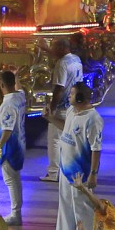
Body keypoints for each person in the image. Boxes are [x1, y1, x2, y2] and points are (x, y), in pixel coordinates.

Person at [56, 83, 103, 230]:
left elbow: (96, 149)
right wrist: (49, 118)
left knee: (83, 212)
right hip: (65, 171)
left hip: (80, 176)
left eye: (72, 93)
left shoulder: (93, 119)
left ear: (81, 97)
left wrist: (93, 174)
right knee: (65, 210)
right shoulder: (71, 111)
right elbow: (66, 128)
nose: (69, 96)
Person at [43, 39, 85, 183]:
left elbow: (59, 89)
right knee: (69, 140)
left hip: (62, 107)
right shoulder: (76, 59)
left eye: (54, 46)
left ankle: (53, 172)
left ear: (61, 47)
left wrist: (52, 108)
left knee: (55, 140)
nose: (52, 50)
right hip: (73, 107)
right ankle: (68, 169)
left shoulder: (61, 64)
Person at [0, 68, 27, 225]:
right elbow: (20, 89)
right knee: (15, 180)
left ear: (1, 84)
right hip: (20, 144)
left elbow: (7, 129)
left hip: (10, 148)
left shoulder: (8, 104)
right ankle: (16, 212)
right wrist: (16, 76)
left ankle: (15, 214)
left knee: (11, 181)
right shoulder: (19, 97)